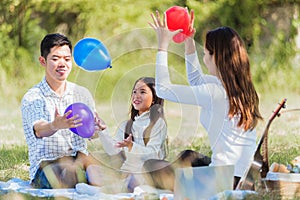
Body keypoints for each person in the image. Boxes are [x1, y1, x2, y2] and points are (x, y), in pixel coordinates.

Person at [149, 10, 263, 189]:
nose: (204, 57)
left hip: (225, 182)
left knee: (151, 167)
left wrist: (162, 45)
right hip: (243, 177)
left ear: (216, 57)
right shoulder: (239, 87)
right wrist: (188, 40)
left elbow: (163, 90)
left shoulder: (215, 93)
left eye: (206, 52)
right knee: (187, 156)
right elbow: (196, 80)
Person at [21, 33, 104, 189]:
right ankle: (86, 184)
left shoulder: (81, 93)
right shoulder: (33, 97)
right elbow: (39, 130)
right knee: (70, 174)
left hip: (80, 159)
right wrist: (55, 125)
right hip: (48, 165)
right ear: (43, 61)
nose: (62, 64)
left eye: (67, 59)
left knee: (106, 168)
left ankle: (91, 183)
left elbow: (91, 133)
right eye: (55, 58)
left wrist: (97, 128)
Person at [87, 77, 168, 193]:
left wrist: (132, 146)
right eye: (134, 92)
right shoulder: (127, 125)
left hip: (145, 174)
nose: (136, 96)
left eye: (142, 92)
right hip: (124, 173)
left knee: (134, 180)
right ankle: (118, 186)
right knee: (91, 170)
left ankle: (109, 189)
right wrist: (103, 131)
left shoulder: (158, 123)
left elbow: (153, 154)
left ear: (154, 99)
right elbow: (113, 151)